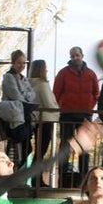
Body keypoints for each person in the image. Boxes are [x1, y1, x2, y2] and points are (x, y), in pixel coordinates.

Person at [53, 46, 100, 187]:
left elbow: (96, 93)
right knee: (65, 146)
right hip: (67, 113)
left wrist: (89, 106)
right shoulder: (63, 73)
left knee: (84, 148)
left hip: (85, 114)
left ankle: (84, 180)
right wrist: (62, 106)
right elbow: (56, 92)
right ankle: (62, 179)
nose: (75, 58)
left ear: (82, 55)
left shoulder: (91, 74)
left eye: (77, 55)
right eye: (72, 56)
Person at [0, 49, 36, 168]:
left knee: (25, 147)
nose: (21, 66)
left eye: (23, 63)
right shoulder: (9, 77)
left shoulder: (23, 78)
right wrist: (25, 96)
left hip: (24, 115)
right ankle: (12, 173)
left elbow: (32, 95)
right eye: (19, 63)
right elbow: (15, 95)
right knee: (15, 148)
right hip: (13, 116)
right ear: (13, 63)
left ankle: (19, 173)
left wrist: (25, 96)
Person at [29, 59, 59, 187]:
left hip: (37, 120)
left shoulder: (30, 84)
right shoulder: (42, 84)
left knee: (38, 151)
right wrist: (58, 110)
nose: (47, 70)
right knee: (41, 151)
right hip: (46, 120)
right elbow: (49, 103)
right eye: (45, 68)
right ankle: (37, 179)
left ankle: (36, 178)